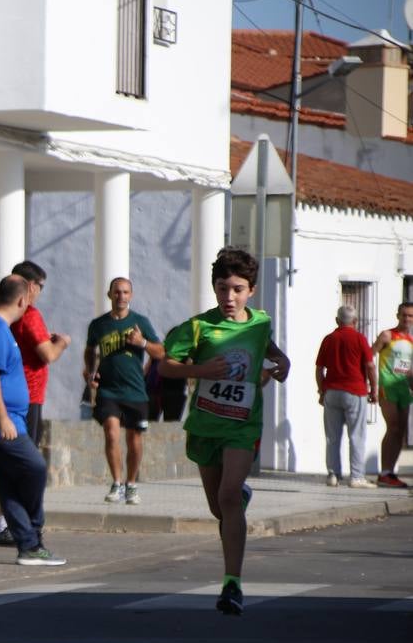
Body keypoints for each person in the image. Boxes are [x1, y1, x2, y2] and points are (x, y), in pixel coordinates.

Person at [160, 247, 291, 616]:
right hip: (205, 425)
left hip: (242, 424)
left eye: (236, 289)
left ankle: (232, 583)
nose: (228, 297)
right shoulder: (199, 327)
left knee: (229, 496)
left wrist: (283, 362)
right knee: (220, 507)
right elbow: (165, 367)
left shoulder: (260, 322)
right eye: (222, 288)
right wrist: (201, 372)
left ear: (250, 290)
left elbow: (270, 350)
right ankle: (236, 501)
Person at [0, 275, 66, 567]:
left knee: (10, 483)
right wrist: (2, 418)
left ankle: (29, 546)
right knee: (35, 468)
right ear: (21, 300)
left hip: (5, 421)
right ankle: (34, 532)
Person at [0, 260, 70, 546]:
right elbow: (46, 354)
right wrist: (62, 342)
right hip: (29, 396)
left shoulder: (5, 317)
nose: (39, 292)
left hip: (13, 395)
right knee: (27, 465)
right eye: (40, 286)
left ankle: (7, 523)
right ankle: (16, 526)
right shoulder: (31, 315)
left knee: (13, 463)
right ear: (30, 285)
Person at [84, 277, 164, 506]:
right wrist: (91, 372)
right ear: (110, 295)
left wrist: (143, 344)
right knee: (111, 432)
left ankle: (131, 484)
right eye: (117, 292)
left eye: (125, 292)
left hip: (136, 391)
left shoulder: (140, 322)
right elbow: (90, 350)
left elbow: (160, 352)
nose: (121, 296)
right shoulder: (98, 324)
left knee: (134, 438)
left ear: (131, 295)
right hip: (108, 389)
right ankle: (116, 483)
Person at [315, 305, 377, 488]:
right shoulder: (359, 339)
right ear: (355, 321)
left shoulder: (329, 339)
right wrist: (374, 389)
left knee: (332, 437)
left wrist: (321, 391)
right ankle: (357, 477)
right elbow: (370, 366)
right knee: (356, 435)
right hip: (355, 390)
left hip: (332, 391)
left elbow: (319, 369)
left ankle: (333, 475)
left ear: (337, 321)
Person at [372, 302, 413, 488]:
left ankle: (391, 472)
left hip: (404, 389)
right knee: (393, 427)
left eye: (410, 316)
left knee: (401, 431)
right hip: (387, 387)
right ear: (398, 315)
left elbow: (409, 368)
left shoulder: (411, 341)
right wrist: (369, 384)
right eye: (404, 315)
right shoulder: (387, 335)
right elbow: (368, 357)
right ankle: (384, 472)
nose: (407, 319)